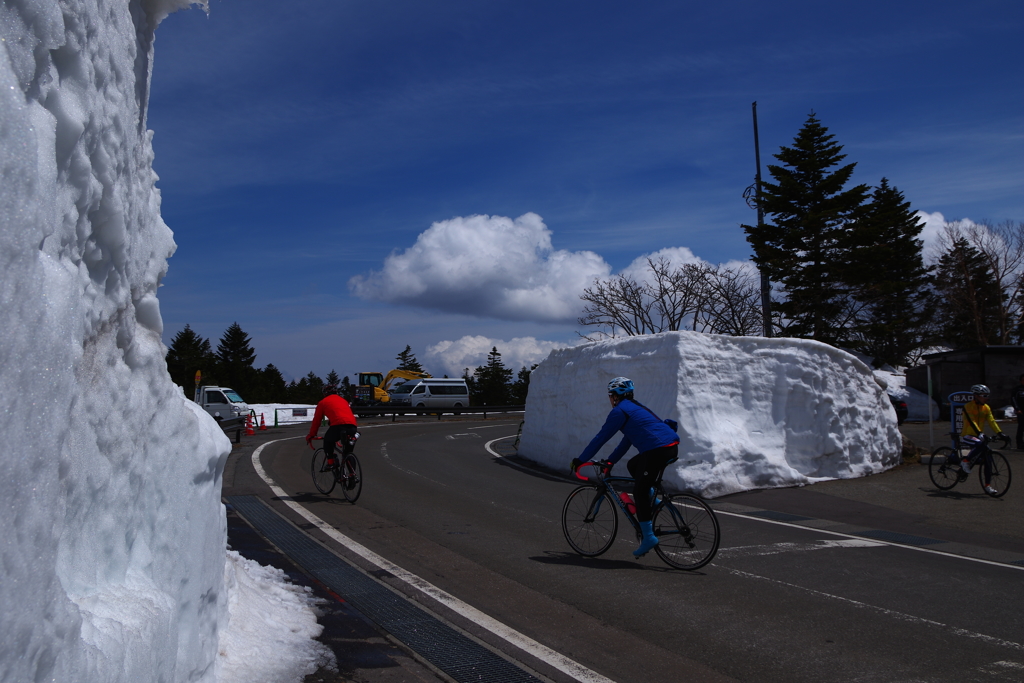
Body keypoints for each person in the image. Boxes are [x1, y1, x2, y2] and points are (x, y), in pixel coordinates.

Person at [570, 377, 679, 558]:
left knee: (639, 492)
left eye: (610, 395)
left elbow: (601, 438)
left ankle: (649, 537)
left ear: (615, 396)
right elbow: (626, 441)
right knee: (633, 464)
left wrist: (581, 460)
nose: (610, 399)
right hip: (669, 447)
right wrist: (611, 461)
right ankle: (654, 501)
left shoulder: (619, 412)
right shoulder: (635, 408)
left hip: (658, 450)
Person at [959, 384, 1006, 495]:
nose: (987, 397)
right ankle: (965, 461)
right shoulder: (968, 407)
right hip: (968, 435)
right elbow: (971, 421)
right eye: (984, 395)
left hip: (979, 436)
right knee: (980, 444)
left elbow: (992, 421)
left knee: (988, 460)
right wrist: (979, 433)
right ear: (976, 396)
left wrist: (1000, 433)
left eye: (987, 395)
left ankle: (987, 486)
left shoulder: (986, 407)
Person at [306, 384, 358, 467]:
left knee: (327, 441)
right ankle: (352, 475)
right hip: (352, 427)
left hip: (338, 426)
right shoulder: (343, 400)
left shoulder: (323, 402)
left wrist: (311, 434)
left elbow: (316, 421)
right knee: (348, 453)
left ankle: (331, 462)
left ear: (324, 394)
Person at [1011, 374, 1024, 450]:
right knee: (1021, 427)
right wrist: (1017, 409)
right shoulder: (1017, 390)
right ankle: (1019, 443)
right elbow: (1013, 400)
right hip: (1021, 411)